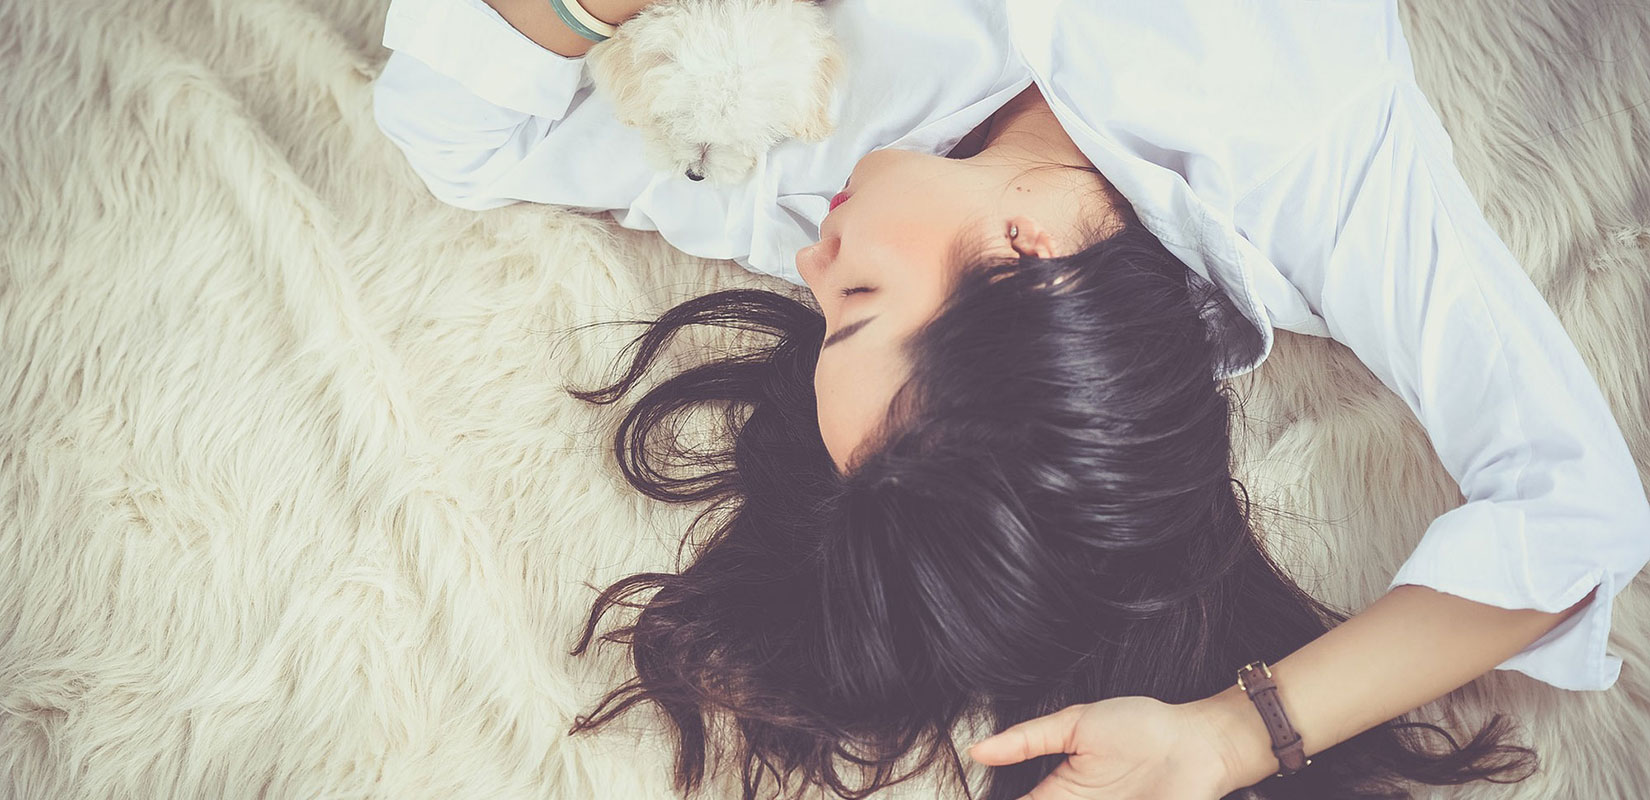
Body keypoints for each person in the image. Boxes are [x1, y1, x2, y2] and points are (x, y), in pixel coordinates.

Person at [371, 0, 1650, 798]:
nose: (812, 263)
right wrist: (1231, 737)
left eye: (825, 314)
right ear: (1027, 260)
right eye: (856, 299)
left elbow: (461, 138)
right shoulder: (1302, 153)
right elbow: (1574, 510)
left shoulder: (814, 180)